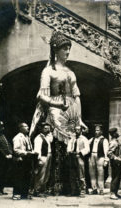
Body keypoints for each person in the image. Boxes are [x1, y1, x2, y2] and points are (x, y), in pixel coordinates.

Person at [29, 30, 87, 195]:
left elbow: (77, 96)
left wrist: (79, 118)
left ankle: (71, 187)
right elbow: (41, 96)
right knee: (56, 150)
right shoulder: (48, 71)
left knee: (72, 152)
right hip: (55, 111)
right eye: (64, 48)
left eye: (69, 48)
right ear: (55, 50)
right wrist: (57, 104)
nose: (67, 52)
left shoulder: (71, 72)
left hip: (71, 114)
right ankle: (49, 186)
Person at [12, 123, 36, 200]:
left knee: (27, 177)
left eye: (27, 126)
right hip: (21, 159)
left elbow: (29, 147)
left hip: (28, 159)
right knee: (19, 177)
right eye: (25, 126)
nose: (28, 127)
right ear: (20, 128)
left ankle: (24, 194)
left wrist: (32, 152)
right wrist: (26, 153)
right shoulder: (18, 137)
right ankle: (16, 194)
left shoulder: (27, 137)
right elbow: (16, 150)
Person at [108, 128, 121, 200]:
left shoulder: (117, 141)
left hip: (118, 162)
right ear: (113, 134)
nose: (118, 133)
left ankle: (115, 192)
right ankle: (112, 193)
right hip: (115, 163)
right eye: (116, 132)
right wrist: (117, 159)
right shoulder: (113, 142)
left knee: (118, 177)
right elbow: (109, 153)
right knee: (115, 177)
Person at [33, 122, 53, 197]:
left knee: (46, 175)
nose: (47, 130)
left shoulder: (47, 137)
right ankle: (37, 190)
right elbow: (37, 150)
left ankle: (42, 190)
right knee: (41, 174)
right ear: (41, 129)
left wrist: (50, 131)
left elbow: (51, 139)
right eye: (45, 128)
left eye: (48, 128)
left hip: (49, 155)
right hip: (43, 157)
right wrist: (39, 159)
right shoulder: (38, 138)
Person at [88, 124, 109, 195]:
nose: (96, 132)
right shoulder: (92, 139)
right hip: (92, 156)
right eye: (95, 130)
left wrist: (106, 160)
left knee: (100, 173)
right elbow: (86, 144)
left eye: (98, 130)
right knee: (92, 173)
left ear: (101, 131)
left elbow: (106, 151)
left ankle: (101, 189)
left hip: (100, 156)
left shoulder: (104, 140)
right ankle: (94, 188)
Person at [74, 125, 90, 197]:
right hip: (72, 157)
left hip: (80, 157)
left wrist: (80, 152)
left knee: (81, 174)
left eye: (78, 130)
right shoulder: (73, 138)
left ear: (81, 131)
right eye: (75, 130)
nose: (76, 131)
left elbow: (87, 149)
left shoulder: (84, 139)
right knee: (73, 173)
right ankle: (74, 190)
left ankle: (82, 190)